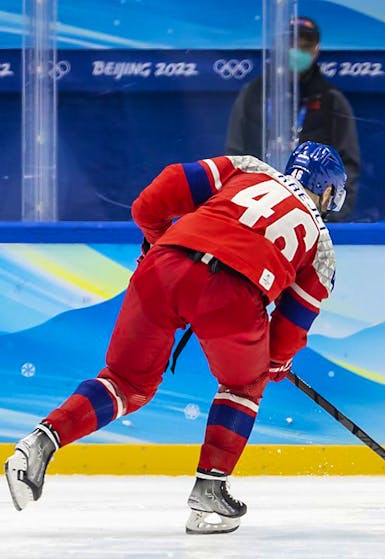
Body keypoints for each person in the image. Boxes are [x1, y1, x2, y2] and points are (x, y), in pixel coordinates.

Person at [4, 141, 346, 535]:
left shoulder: (248, 167)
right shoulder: (322, 248)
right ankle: (210, 493)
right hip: (234, 294)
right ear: (327, 190)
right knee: (243, 385)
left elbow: (152, 200)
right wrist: (275, 363)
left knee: (125, 382)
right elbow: (288, 331)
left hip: (164, 264)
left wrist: (156, 242)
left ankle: (40, 443)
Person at [225, 16, 361, 221]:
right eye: (291, 45)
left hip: (312, 213)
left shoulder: (331, 100)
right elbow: (234, 156)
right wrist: (238, 206)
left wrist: (330, 215)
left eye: (305, 46)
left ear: (316, 50)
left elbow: (347, 165)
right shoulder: (252, 94)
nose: (297, 52)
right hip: (255, 210)